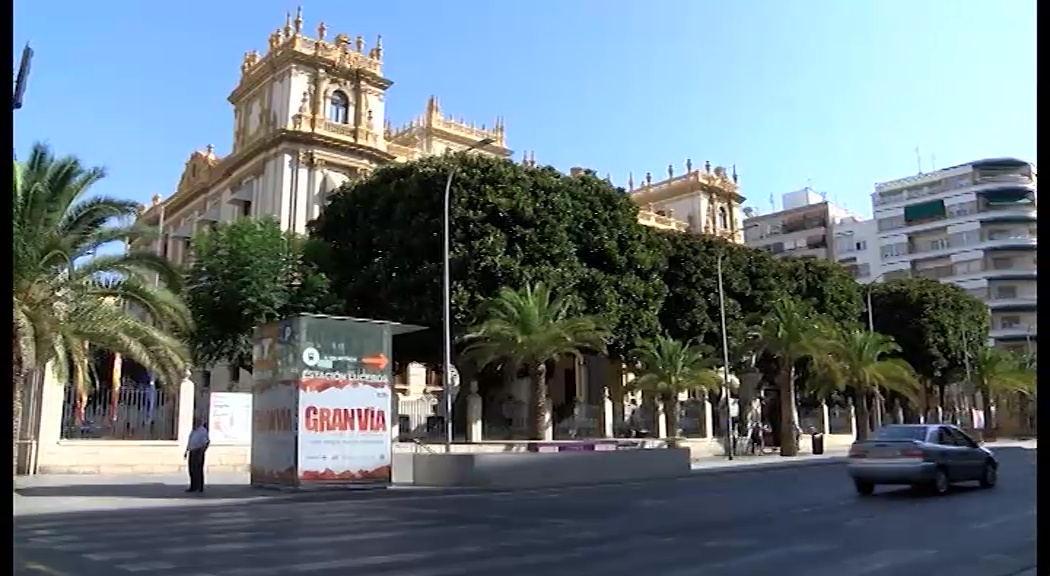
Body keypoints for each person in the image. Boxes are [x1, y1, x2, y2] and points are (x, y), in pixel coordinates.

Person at [184, 418, 210, 493]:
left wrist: (202, 451)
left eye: (195, 422)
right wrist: (186, 451)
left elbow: (207, 442)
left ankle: (200, 487)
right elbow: (190, 441)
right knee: (192, 470)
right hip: (192, 451)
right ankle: (193, 486)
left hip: (198, 451)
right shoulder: (193, 431)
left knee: (198, 470)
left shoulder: (202, 431)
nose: (194, 423)